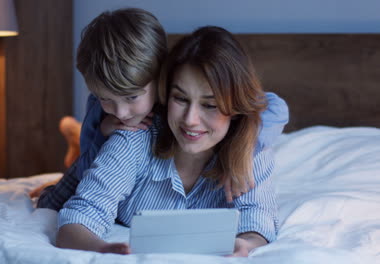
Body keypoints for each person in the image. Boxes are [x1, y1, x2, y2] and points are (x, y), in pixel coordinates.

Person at [55, 26, 289, 256]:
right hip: (96, 154)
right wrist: (102, 249)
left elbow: (258, 219)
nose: (190, 120)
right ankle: (75, 138)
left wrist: (246, 244)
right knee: (57, 192)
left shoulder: (251, 149)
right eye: (180, 98)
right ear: (165, 95)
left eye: (209, 105)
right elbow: (81, 214)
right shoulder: (133, 136)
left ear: (236, 107)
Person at [33, 7, 287, 210]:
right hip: (97, 157)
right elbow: (90, 166)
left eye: (132, 97)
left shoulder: (180, 85)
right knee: (54, 199)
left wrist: (247, 148)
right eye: (105, 97)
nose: (120, 113)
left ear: (160, 77)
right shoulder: (101, 110)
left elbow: (276, 107)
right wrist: (102, 130)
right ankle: (73, 143)